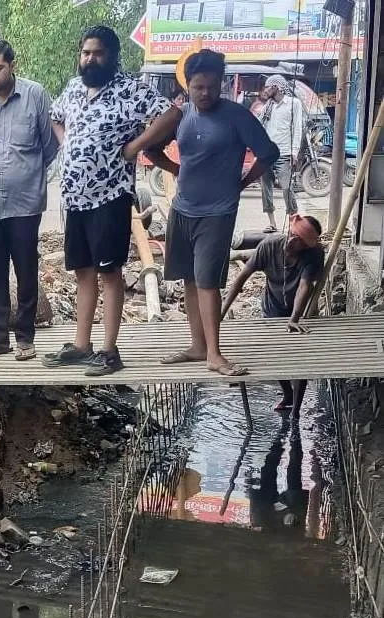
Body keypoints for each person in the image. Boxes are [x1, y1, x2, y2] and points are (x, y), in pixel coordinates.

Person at [44, 25, 180, 376]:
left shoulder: (130, 89)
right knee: (83, 272)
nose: (90, 59)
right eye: (86, 52)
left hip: (110, 196)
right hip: (75, 198)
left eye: (98, 53)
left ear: (112, 56)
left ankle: (109, 350)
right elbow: (55, 117)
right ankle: (81, 345)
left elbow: (171, 114)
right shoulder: (73, 88)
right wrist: (66, 142)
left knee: (109, 272)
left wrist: (135, 146)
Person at [147, 49, 279, 376]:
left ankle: (215, 354)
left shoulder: (237, 116)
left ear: (221, 83)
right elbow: (150, 148)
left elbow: (268, 152)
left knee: (207, 281)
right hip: (182, 209)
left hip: (218, 212)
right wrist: (175, 168)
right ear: (187, 85)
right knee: (190, 279)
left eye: (212, 86)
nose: (205, 93)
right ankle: (198, 345)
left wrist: (243, 182)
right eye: (198, 87)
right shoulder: (180, 116)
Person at [0, 38, 58, 361]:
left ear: (12, 65)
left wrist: (24, 173)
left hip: (24, 201)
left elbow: (49, 147)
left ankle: (25, 337)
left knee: (26, 269)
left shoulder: (35, 95)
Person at [221, 214, 324, 418]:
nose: (293, 241)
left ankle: (295, 411)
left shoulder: (314, 253)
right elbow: (241, 278)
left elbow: (304, 287)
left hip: (302, 312)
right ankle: (287, 394)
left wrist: (294, 318)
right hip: (272, 307)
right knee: (275, 355)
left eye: (300, 241)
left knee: (300, 359)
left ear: (307, 245)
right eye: (293, 235)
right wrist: (222, 311)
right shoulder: (269, 246)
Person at [259, 75, 305, 234]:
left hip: (284, 153)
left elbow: (297, 128)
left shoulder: (294, 104)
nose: (265, 90)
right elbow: (260, 127)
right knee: (266, 188)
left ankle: (293, 224)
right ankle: (272, 223)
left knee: (287, 188)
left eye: (267, 87)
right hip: (267, 154)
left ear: (276, 87)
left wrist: (294, 151)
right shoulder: (267, 106)